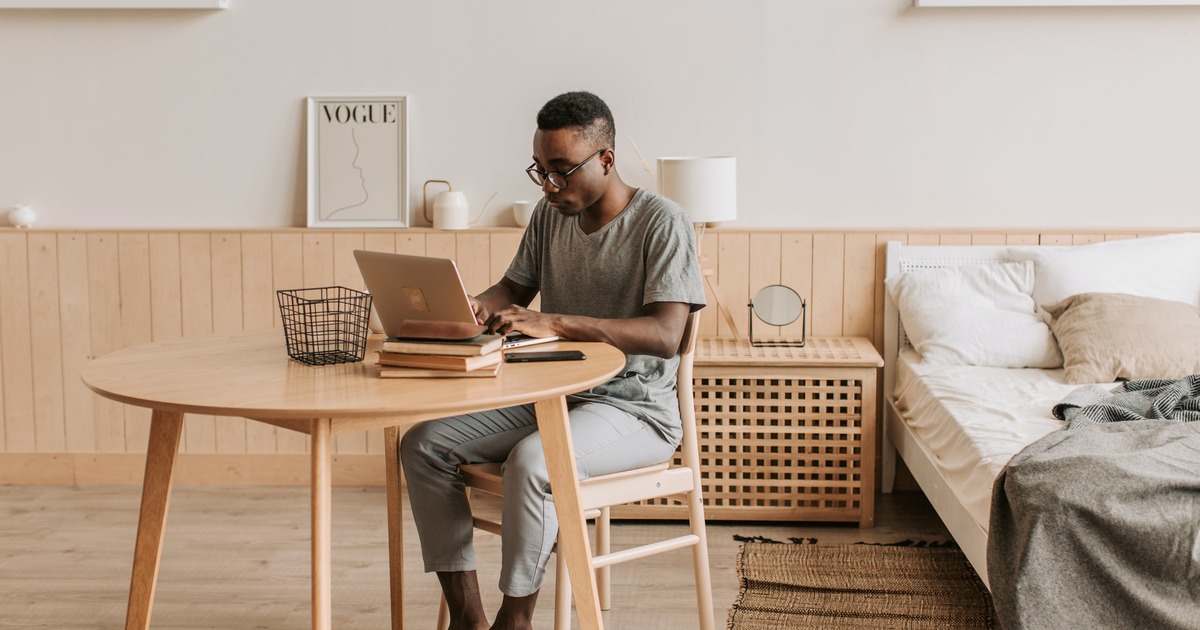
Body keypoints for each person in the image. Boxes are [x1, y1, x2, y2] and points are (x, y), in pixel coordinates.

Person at [399, 90, 706, 630]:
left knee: (532, 463)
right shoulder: (550, 215)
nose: (548, 184)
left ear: (606, 160)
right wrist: (471, 306)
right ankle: (470, 619)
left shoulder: (663, 222)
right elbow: (512, 288)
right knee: (423, 444)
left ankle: (515, 620)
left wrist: (556, 321)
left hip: (635, 410)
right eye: (540, 170)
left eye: (562, 170)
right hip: (551, 394)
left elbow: (665, 334)